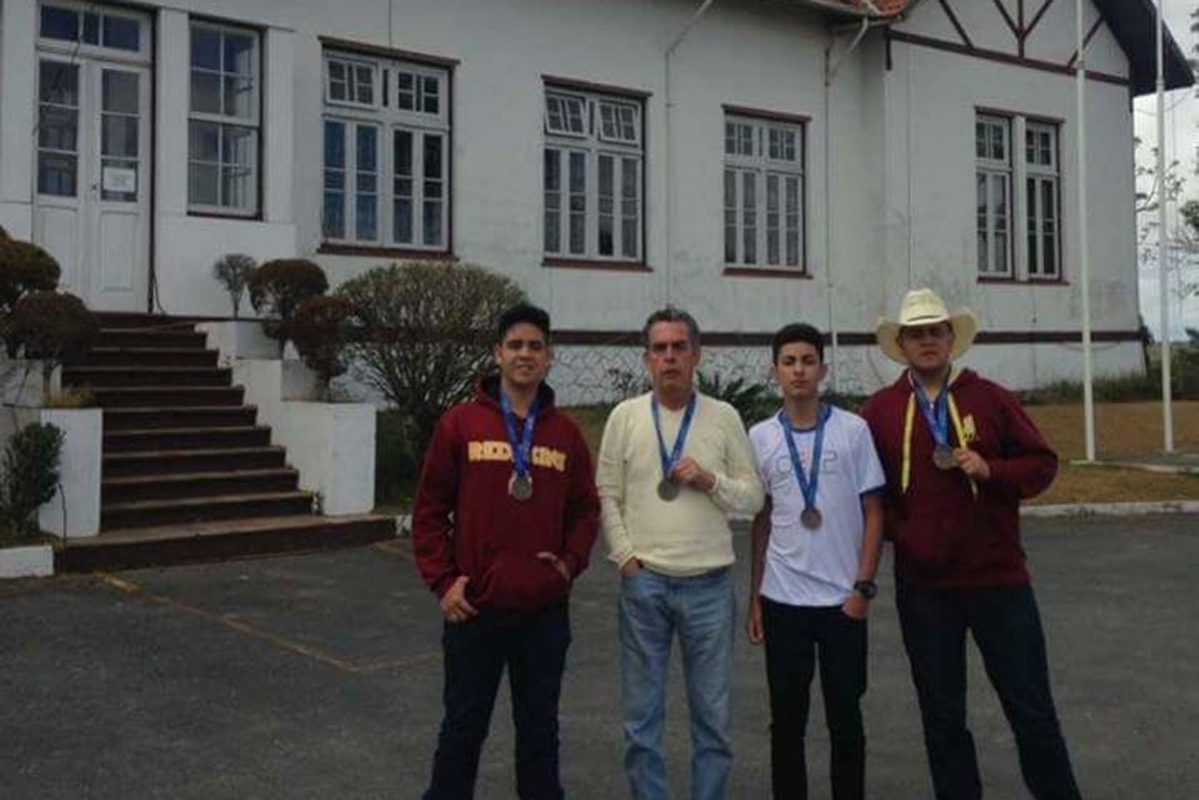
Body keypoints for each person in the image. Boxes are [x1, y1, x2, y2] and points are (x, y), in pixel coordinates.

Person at [859, 288, 1082, 800]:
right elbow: (866, 492)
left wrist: (993, 471)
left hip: (999, 581)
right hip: (925, 590)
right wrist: (906, 531)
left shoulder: (992, 398)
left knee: (1031, 709)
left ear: (951, 339)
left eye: (936, 332)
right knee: (942, 717)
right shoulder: (880, 412)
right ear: (902, 345)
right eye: (916, 334)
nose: (927, 341)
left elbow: (1042, 464)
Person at [412, 302, 600, 800]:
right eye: (515, 345)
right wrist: (444, 582)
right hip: (474, 608)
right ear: (497, 353)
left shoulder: (565, 434)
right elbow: (429, 510)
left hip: (543, 611)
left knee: (540, 733)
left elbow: (586, 511)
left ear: (549, 357)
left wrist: (568, 565)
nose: (525, 354)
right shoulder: (461, 423)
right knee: (462, 729)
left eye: (535, 346)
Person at [597, 306, 765, 800]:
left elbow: (753, 499)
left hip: (710, 586)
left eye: (679, 347)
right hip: (645, 583)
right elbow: (608, 493)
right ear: (647, 358)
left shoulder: (724, 417)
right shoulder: (625, 417)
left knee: (713, 720)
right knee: (641, 721)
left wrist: (709, 480)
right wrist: (626, 558)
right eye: (659, 348)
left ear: (697, 355)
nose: (669, 357)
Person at [746, 322, 885, 800]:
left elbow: (874, 511)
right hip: (783, 600)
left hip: (842, 602)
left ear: (823, 369)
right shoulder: (760, 437)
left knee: (846, 719)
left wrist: (863, 588)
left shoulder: (853, 430)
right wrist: (755, 597)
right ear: (775, 372)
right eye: (789, 362)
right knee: (787, 722)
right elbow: (762, 520)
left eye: (808, 361)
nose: (799, 370)